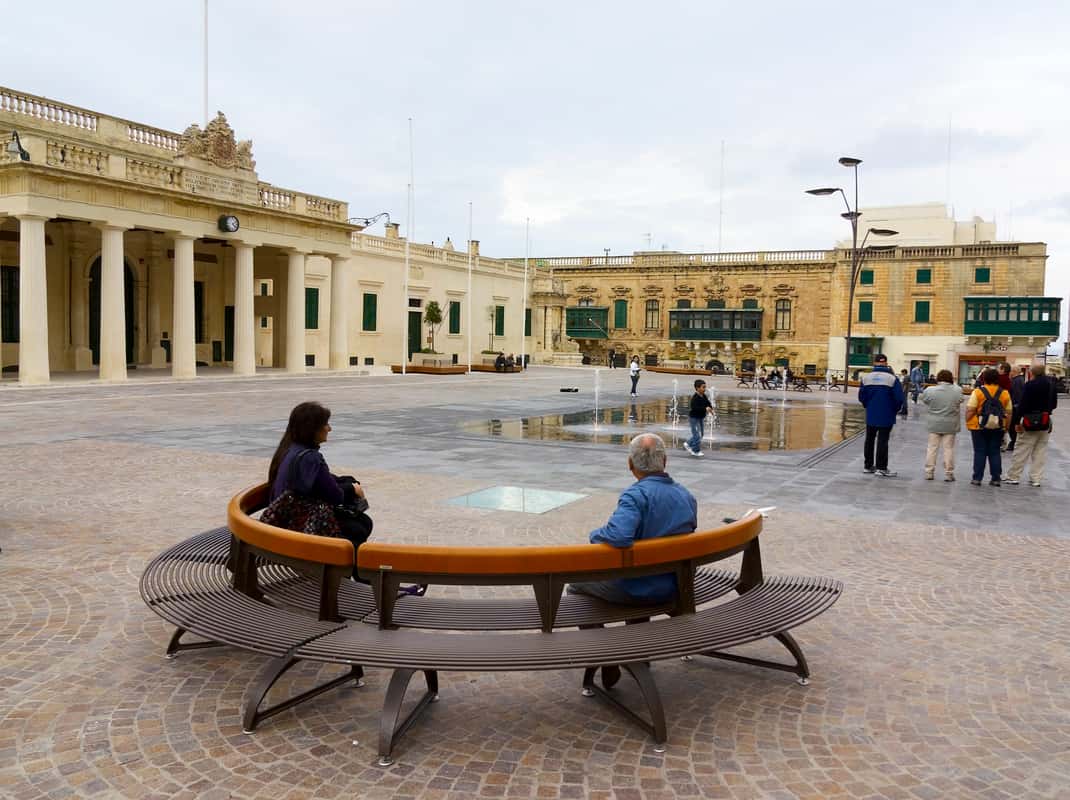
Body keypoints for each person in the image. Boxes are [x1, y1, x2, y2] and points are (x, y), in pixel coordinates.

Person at [568, 433, 697, 605]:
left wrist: (595, 535)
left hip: (639, 589)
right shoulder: (685, 495)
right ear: (664, 461)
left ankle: (597, 632)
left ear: (630, 463)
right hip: (678, 584)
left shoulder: (635, 496)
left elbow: (619, 536)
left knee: (575, 585)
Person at [267, 401, 373, 572]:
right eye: (325, 424)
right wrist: (352, 489)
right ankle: (354, 580)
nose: (329, 429)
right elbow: (335, 496)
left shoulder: (289, 449)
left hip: (283, 522)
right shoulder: (310, 457)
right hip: (298, 528)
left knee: (357, 524)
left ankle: (358, 579)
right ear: (312, 429)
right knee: (359, 525)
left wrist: (346, 482)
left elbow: (321, 481)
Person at [1005, 364, 1058, 487]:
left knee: (1022, 449)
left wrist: (1017, 421)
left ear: (1031, 373)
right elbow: (1054, 404)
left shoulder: (1030, 385)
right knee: (1040, 451)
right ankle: (1036, 478)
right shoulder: (1051, 385)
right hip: (1045, 420)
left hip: (1029, 420)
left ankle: (1014, 476)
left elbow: (1023, 405)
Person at [859, 354, 905, 477]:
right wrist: (894, 410)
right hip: (886, 413)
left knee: (869, 439)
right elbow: (899, 398)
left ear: (874, 363)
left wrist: (868, 406)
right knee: (883, 440)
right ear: (886, 363)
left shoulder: (866, 378)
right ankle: (881, 467)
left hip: (871, 413)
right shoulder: (892, 379)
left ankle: (868, 466)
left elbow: (862, 397)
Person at [965, 367, 1012, 486]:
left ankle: (977, 478)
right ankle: (996, 478)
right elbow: (1009, 412)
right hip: (998, 426)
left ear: (984, 379)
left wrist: (967, 420)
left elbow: (971, 409)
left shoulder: (978, 392)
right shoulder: (1005, 393)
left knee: (980, 451)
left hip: (978, 426)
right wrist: (1006, 427)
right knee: (995, 452)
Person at [920, 369, 964, 481]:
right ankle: (949, 473)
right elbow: (960, 400)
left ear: (938, 378)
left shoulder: (930, 390)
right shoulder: (957, 390)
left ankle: (929, 472)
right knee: (948, 448)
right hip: (950, 424)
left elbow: (925, 400)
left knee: (932, 448)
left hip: (934, 423)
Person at [684, 379, 713, 457]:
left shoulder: (704, 396)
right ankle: (695, 450)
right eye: (703, 387)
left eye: (705, 387)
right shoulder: (695, 398)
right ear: (697, 388)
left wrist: (710, 408)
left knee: (701, 434)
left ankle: (688, 443)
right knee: (697, 435)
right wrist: (705, 409)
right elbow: (695, 408)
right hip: (694, 418)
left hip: (700, 418)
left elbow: (708, 403)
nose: (705, 389)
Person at [1007, 365, 1028, 452]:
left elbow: (1017, 395)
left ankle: (1013, 443)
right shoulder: (1020, 380)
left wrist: (1014, 406)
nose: (1009, 373)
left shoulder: (1016, 381)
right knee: (1013, 426)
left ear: (1014, 372)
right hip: (1016, 406)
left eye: (1010, 371)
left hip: (1015, 407)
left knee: (1012, 426)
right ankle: (1014, 442)